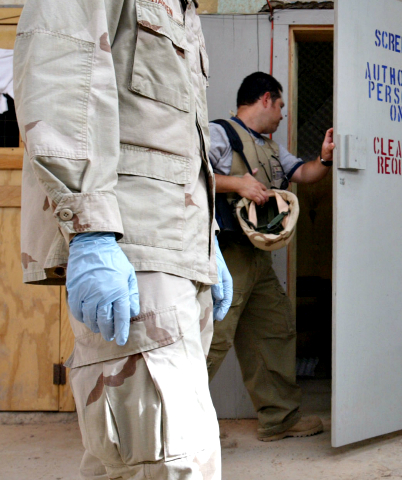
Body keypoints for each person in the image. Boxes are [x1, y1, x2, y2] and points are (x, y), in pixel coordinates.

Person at [14, 1, 232, 478]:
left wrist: (206, 241)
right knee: (169, 463)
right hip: (133, 250)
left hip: (177, 251)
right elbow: (60, 72)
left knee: (145, 459)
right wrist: (90, 229)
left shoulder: (183, 7)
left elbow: (171, 132)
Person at [206, 72, 334, 441]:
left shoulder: (273, 148)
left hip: (258, 259)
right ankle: (172, 425)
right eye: (280, 105)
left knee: (273, 331)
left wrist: (323, 160)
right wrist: (236, 182)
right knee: (212, 337)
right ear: (265, 98)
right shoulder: (218, 135)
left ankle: (280, 418)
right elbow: (186, 174)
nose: (282, 114)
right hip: (225, 255)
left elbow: (304, 173)